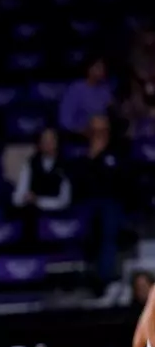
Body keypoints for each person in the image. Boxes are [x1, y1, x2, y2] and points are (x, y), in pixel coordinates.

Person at [75, 114, 128, 290]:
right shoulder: (82, 156)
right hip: (87, 204)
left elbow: (117, 182)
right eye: (95, 130)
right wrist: (92, 157)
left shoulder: (117, 151)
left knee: (108, 219)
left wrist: (99, 158)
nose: (99, 134)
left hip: (112, 204)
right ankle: (87, 278)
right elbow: (80, 184)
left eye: (102, 130)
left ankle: (105, 281)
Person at [13, 126, 72, 240]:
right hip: (34, 213)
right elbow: (18, 198)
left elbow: (65, 201)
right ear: (39, 144)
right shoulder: (30, 163)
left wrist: (39, 201)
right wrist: (27, 199)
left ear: (57, 143)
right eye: (44, 140)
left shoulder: (66, 165)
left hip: (57, 212)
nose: (48, 143)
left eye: (51, 140)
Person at [59, 58, 114, 134]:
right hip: (78, 135)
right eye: (98, 67)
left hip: (102, 135)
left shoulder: (105, 90)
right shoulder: (75, 89)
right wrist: (83, 130)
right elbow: (65, 120)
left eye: (103, 68)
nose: (101, 71)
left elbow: (110, 115)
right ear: (89, 69)